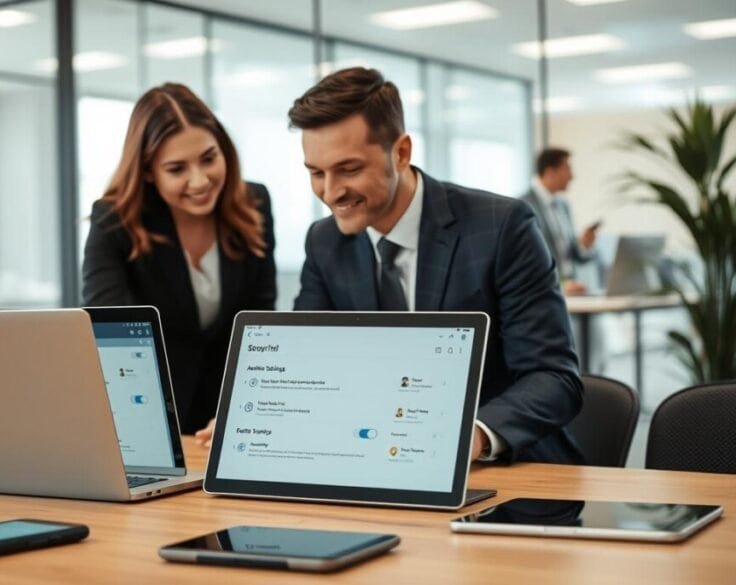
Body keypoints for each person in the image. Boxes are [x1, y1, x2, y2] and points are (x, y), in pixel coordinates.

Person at [198, 68, 582, 465]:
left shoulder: (501, 228)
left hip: (506, 469)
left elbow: (553, 378)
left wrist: (472, 436)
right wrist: (252, 417)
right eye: (316, 173)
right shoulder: (325, 243)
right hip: (379, 460)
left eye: (349, 169)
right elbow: (303, 364)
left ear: (400, 153)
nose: (330, 192)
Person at [82, 83, 276, 435]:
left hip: (232, 413)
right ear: (147, 171)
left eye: (209, 158)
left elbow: (261, 322)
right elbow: (110, 330)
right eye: (176, 169)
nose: (199, 181)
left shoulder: (255, 202)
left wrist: (250, 409)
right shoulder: (114, 221)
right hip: (147, 412)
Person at [521, 148, 599, 295]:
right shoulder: (522, 205)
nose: (572, 177)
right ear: (551, 172)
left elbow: (572, 254)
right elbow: (525, 259)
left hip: (571, 289)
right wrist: (560, 284)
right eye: (568, 169)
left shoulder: (563, 205)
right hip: (541, 292)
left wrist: (584, 245)